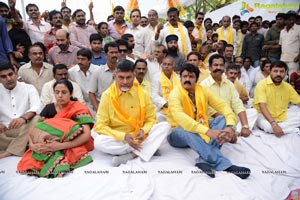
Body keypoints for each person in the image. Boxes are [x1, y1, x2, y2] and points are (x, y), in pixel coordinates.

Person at [167, 63, 250, 179]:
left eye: (191, 77)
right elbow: (183, 119)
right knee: (186, 130)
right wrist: (207, 131)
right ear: (180, 78)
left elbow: (224, 107)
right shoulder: (175, 94)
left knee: (222, 119)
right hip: (178, 134)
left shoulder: (203, 91)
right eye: (185, 76)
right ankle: (225, 165)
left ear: (196, 79)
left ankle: (203, 161)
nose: (187, 79)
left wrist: (230, 127)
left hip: (200, 130)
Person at [93, 59, 171, 167]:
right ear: (115, 76)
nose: (125, 82)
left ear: (134, 76)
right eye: (121, 77)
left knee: (165, 126)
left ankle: (133, 155)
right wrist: (123, 136)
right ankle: (148, 148)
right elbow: (100, 125)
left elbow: (151, 119)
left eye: (128, 77)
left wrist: (144, 130)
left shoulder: (142, 93)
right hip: (120, 138)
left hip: (139, 135)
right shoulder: (107, 95)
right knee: (98, 142)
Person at [17, 79, 94, 178]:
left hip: (74, 141)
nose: (60, 95)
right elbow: (35, 129)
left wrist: (60, 146)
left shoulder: (78, 108)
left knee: (70, 150)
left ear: (71, 93)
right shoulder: (49, 108)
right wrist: (32, 145)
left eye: (64, 92)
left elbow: (86, 134)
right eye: (57, 92)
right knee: (35, 155)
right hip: (50, 141)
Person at [201, 54, 257, 137]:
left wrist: (245, 126)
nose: (218, 68)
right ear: (210, 68)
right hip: (215, 120)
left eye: (221, 65)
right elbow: (209, 110)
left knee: (253, 112)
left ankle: (235, 132)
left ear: (224, 67)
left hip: (230, 117)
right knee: (220, 121)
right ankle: (231, 132)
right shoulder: (204, 85)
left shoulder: (229, 84)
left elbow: (237, 104)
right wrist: (227, 121)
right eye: (216, 65)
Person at [0, 62, 41, 159]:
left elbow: (37, 107)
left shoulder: (28, 88)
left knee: (37, 118)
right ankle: (25, 145)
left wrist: (23, 118)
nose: (9, 79)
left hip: (25, 127)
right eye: (4, 76)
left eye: (10, 74)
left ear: (16, 73)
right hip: (5, 131)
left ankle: (10, 151)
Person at [254, 61, 300, 136]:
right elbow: (262, 107)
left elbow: (298, 102)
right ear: (270, 71)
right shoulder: (261, 85)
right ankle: (293, 129)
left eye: (282, 71)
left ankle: (283, 128)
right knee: (269, 127)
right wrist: (273, 124)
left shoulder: (287, 87)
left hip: (281, 116)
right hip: (264, 117)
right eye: (275, 71)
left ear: (285, 73)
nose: (278, 74)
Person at [88, 42, 118, 112]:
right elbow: (91, 93)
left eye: (116, 52)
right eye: (112, 52)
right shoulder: (97, 72)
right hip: (103, 108)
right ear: (105, 54)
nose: (114, 55)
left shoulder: (123, 71)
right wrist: (98, 110)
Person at [151, 56, 180, 122]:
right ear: (161, 66)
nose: (166, 66)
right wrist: (165, 103)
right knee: (157, 117)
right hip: (161, 108)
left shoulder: (178, 78)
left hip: (176, 107)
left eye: (169, 64)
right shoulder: (156, 77)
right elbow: (154, 95)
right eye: (164, 64)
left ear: (173, 67)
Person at [279, 13, 300, 77]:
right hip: (283, 58)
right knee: (283, 78)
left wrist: (299, 56)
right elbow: (281, 45)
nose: (292, 21)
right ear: (285, 21)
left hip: (294, 59)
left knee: (292, 77)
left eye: (293, 19)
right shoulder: (282, 31)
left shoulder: (299, 29)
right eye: (289, 20)